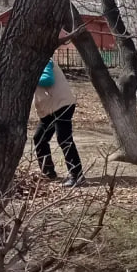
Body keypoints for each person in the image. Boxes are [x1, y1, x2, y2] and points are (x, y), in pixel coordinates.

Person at [33, 59, 83, 187]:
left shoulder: (44, 60)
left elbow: (48, 80)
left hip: (62, 105)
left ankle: (77, 175)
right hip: (49, 109)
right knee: (39, 138)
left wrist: (28, 78)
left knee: (64, 139)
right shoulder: (31, 63)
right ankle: (48, 173)